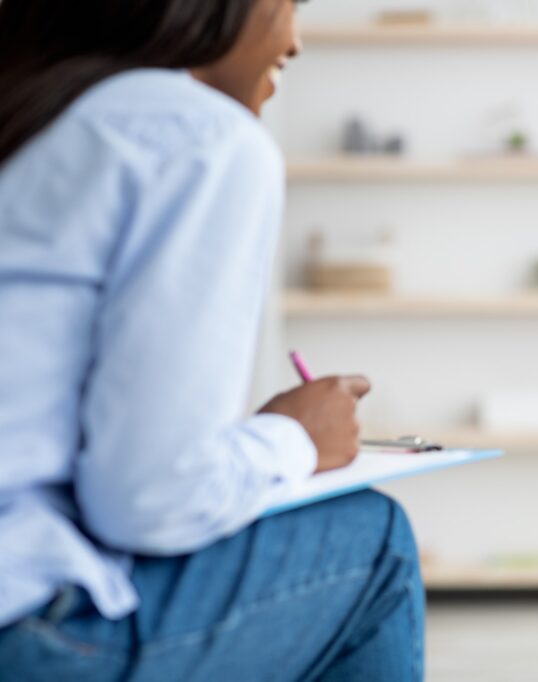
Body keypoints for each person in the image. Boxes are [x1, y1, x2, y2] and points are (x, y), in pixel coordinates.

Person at [0, 1, 424, 679]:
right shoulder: (195, 134)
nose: (293, 42)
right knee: (373, 540)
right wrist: (294, 439)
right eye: (289, 4)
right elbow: (146, 502)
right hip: (23, 627)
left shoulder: (33, 110)